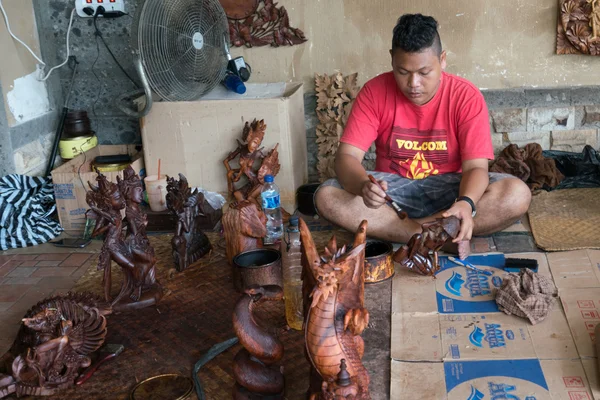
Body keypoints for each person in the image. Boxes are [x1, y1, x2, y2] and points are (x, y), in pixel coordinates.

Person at [314, 13, 531, 259]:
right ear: (391, 59)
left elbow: (475, 168)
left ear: (443, 60)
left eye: (424, 72)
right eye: (403, 71)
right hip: (393, 193)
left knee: (517, 193)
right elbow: (347, 157)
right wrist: (364, 186)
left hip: (449, 189)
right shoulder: (374, 92)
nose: (413, 83)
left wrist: (466, 203)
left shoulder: (466, 97)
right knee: (327, 196)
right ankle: (435, 237)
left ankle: (408, 233)